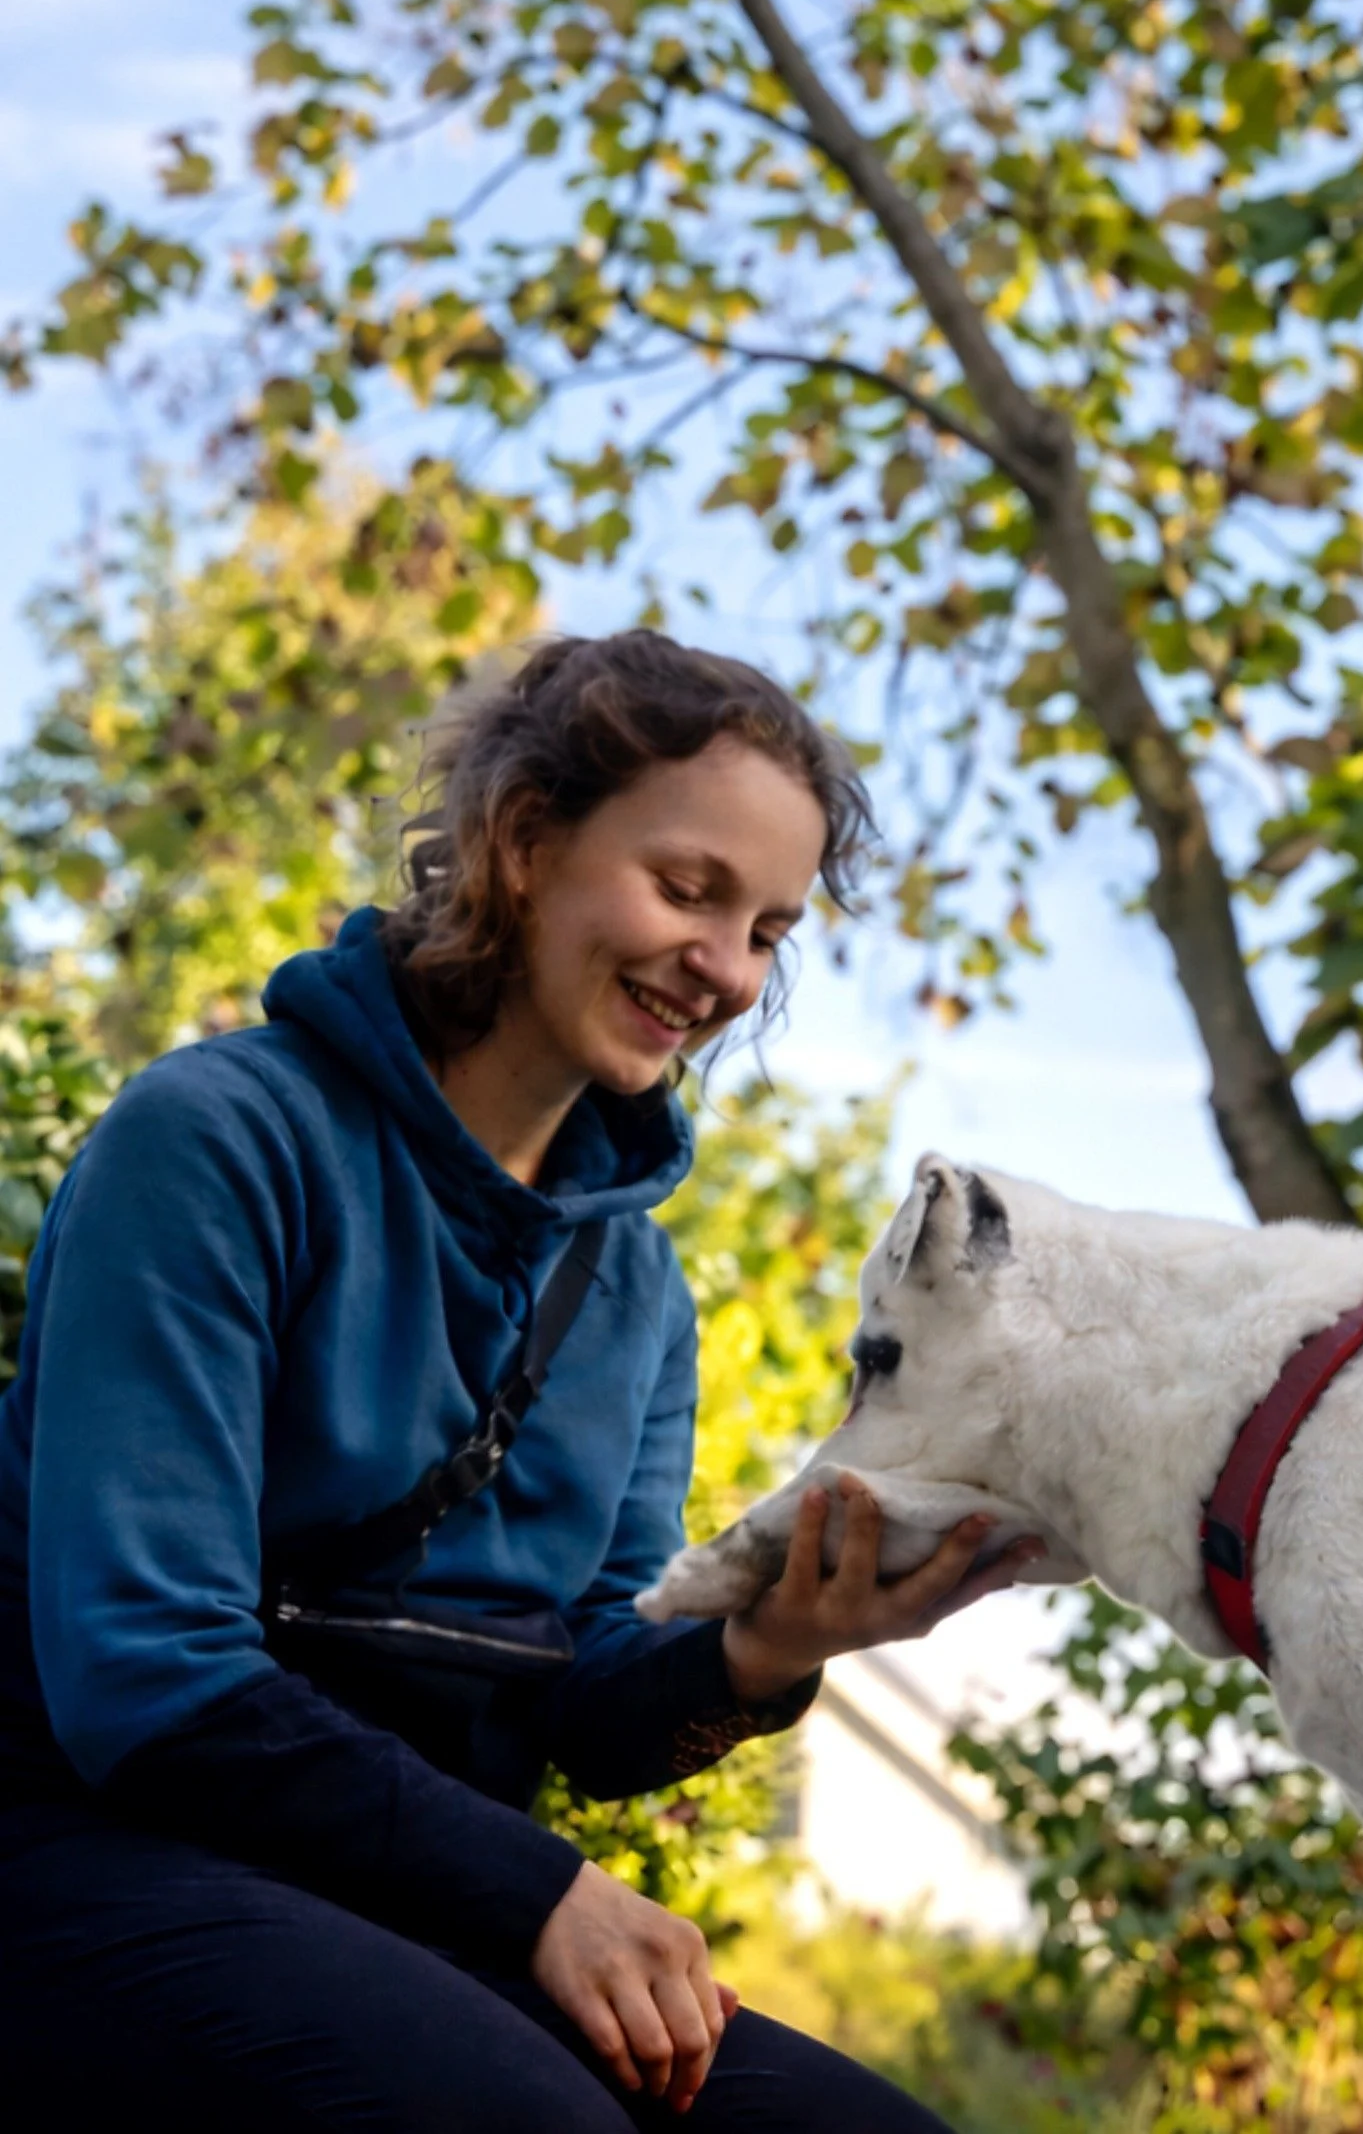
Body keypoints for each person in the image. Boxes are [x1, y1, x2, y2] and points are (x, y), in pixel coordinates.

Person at [0, 630, 1039, 2130]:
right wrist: (541, 1892)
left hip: (394, 1896)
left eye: (766, 929)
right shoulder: (217, 1141)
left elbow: (588, 1710)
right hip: (87, 1841)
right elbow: (147, 1679)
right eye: (686, 890)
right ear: (525, 840)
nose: (726, 969)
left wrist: (768, 1644)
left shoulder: (638, 1292)